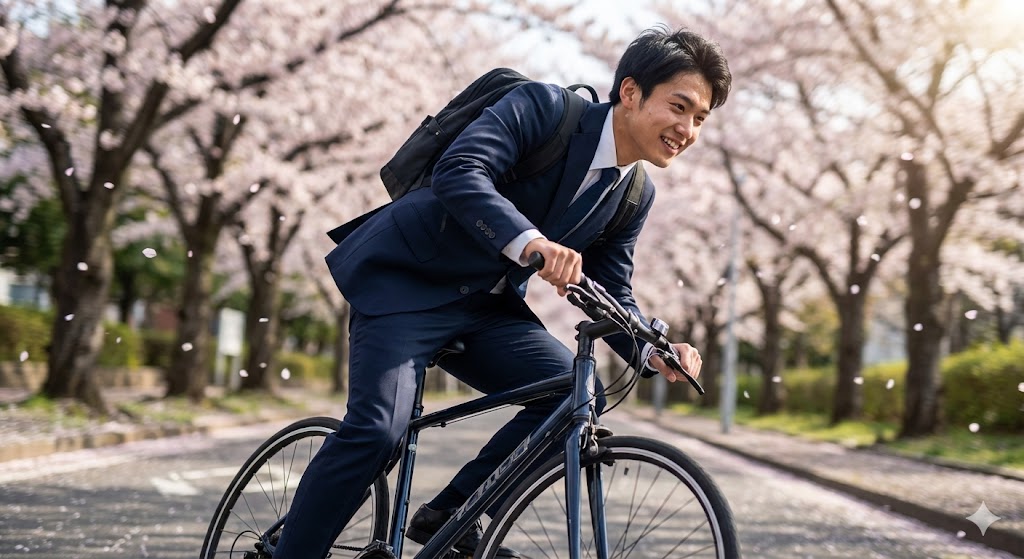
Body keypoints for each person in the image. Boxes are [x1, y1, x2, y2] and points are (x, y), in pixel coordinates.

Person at [272, 25, 731, 559]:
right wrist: (532, 242)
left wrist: (652, 349)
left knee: (574, 392)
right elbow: (460, 170)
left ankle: (452, 513)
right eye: (679, 107)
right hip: (406, 283)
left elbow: (612, 286)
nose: (688, 129)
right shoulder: (544, 107)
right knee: (378, 432)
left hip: (484, 307)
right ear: (630, 92)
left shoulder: (633, 193)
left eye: (700, 119)